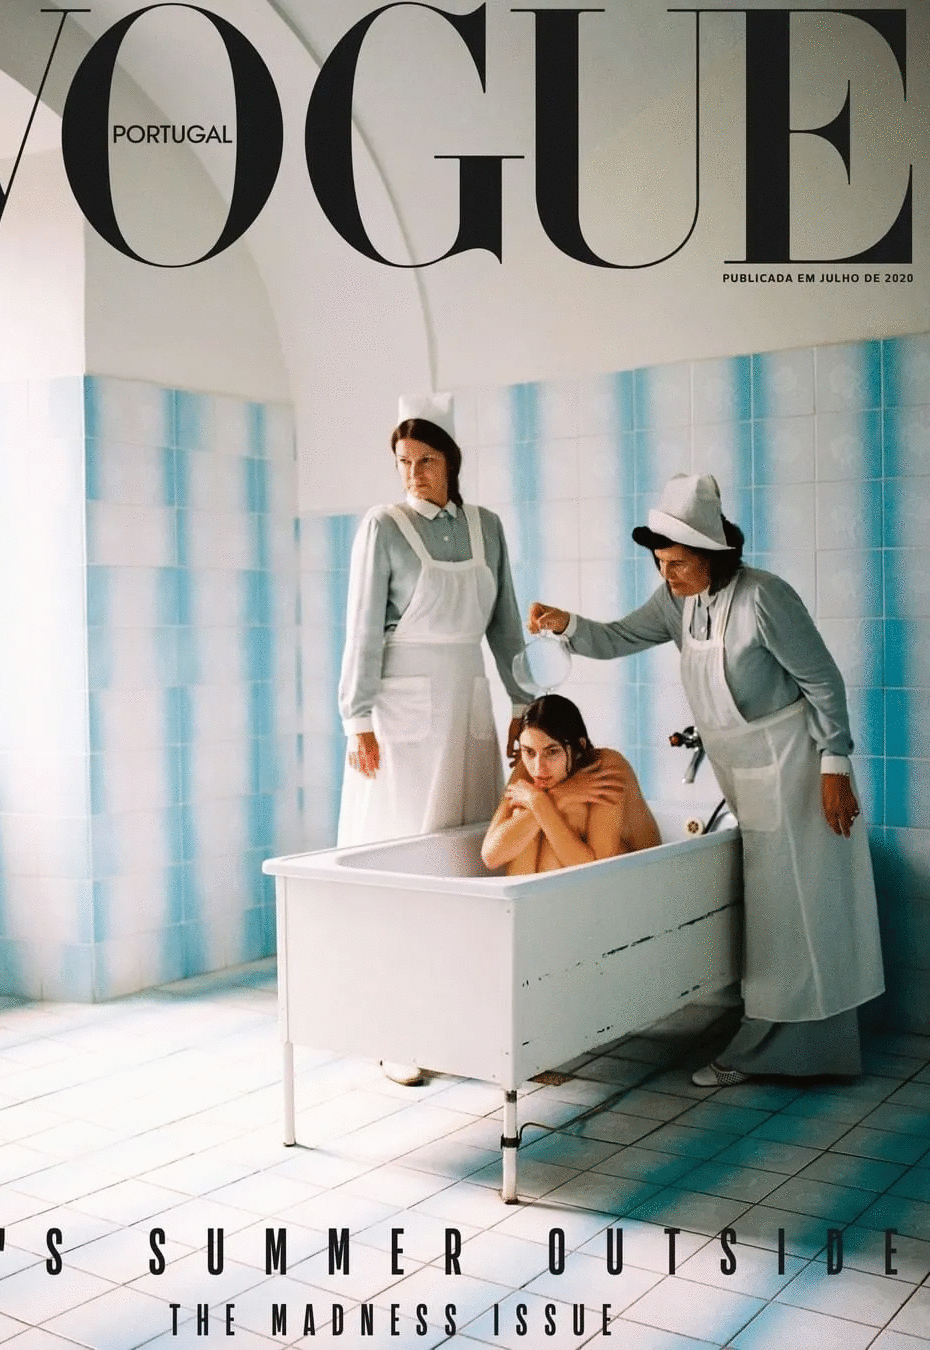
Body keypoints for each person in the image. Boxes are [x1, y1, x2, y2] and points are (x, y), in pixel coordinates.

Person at [529, 473, 884, 1086]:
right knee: (782, 909)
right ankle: (805, 1050)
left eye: (677, 563)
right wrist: (567, 625)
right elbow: (617, 637)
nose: (665, 574)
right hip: (743, 768)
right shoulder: (676, 603)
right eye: (660, 562)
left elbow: (822, 680)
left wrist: (835, 763)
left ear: (712, 555)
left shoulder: (764, 597)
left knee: (796, 907)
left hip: (793, 763)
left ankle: (765, 1050)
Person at [338, 393, 533, 1085]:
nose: (413, 474)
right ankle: (396, 1027)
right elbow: (362, 627)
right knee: (404, 854)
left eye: (425, 460)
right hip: (401, 715)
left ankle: (468, 1020)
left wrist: (524, 701)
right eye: (403, 462)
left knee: (471, 850)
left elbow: (505, 623)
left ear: (451, 461)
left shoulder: (487, 527)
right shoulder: (383, 525)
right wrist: (357, 718)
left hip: (467, 701)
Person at [481, 694, 660, 874]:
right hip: (566, 884)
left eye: (552, 752)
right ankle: (531, 894)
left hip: (640, 875)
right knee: (524, 812)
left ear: (579, 745)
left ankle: (539, 893)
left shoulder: (606, 766)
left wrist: (544, 804)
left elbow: (599, 870)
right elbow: (491, 856)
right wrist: (554, 798)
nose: (538, 767)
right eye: (528, 751)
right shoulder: (529, 766)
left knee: (569, 813)